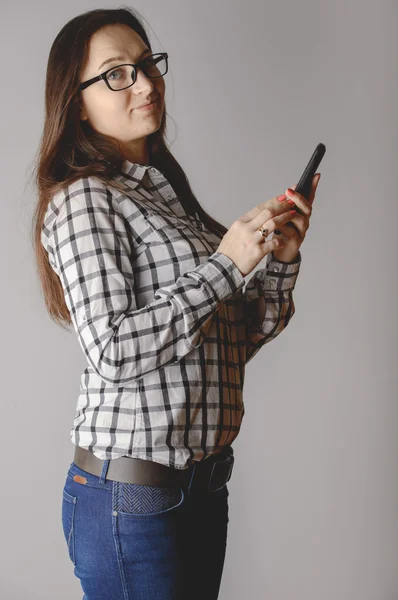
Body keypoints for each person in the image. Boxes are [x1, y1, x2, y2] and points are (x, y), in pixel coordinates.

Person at [33, 7, 320, 600]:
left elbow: (231, 342)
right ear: (76, 101)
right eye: (117, 73)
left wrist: (281, 261)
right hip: (134, 501)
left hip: (202, 488)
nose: (144, 82)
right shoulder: (85, 200)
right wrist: (225, 264)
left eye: (146, 66)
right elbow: (111, 348)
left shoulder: (164, 194)